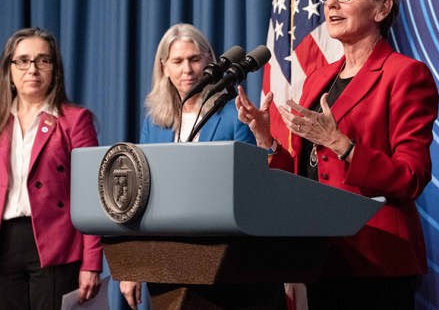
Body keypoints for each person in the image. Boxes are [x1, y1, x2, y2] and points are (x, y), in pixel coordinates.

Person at [235, 0, 439, 309]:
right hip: (320, 255)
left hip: (376, 259)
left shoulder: (405, 74)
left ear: (381, 7)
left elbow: (412, 176)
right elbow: (304, 173)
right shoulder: (319, 77)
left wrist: (342, 145)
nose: (331, 3)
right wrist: (267, 139)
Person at [118, 23, 256, 309]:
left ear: (209, 60)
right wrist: (133, 264)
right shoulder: (155, 122)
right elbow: (142, 194)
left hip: (220, 256)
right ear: (164, 67)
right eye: (178, 61)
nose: (187, 69)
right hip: (165, 257)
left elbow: (249, 185)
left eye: (194, 59)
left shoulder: (235, 115)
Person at [0, 27, 102, 309]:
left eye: (42, 60)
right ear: (9, 70)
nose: (32, 69)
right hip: (5, 244)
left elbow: (92, 194)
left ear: (55, 70)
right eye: (22, 60)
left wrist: (91, 261)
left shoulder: (75, 120)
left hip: (55, 246)